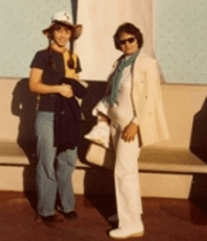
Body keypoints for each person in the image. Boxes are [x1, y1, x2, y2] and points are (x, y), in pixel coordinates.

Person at [98, 23, 170, 239]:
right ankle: (128, 213)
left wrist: (135, 123)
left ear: (138, 40)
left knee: (124, 171)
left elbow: (152, 98)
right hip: (116, 124)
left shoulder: (147, 64)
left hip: (131, 127)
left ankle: (132, 224)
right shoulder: (120, 64)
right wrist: (103, 111)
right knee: (125, 171)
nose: (127, 44)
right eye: (122, 41)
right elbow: (112, 93)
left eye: (131, 39)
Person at [29, 11, 86, 226]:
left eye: (67, 31)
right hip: (46, 114)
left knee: (68, 159)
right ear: (52, 32)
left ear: (71, 35)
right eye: (59, 30)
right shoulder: (41, 56)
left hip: (68, 115)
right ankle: (45, 209)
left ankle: (67, 205)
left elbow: (75, 85)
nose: (63, 35)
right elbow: (33, 85)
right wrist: (58, 89)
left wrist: (77, 90)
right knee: (46, 161)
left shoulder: (73, 58)